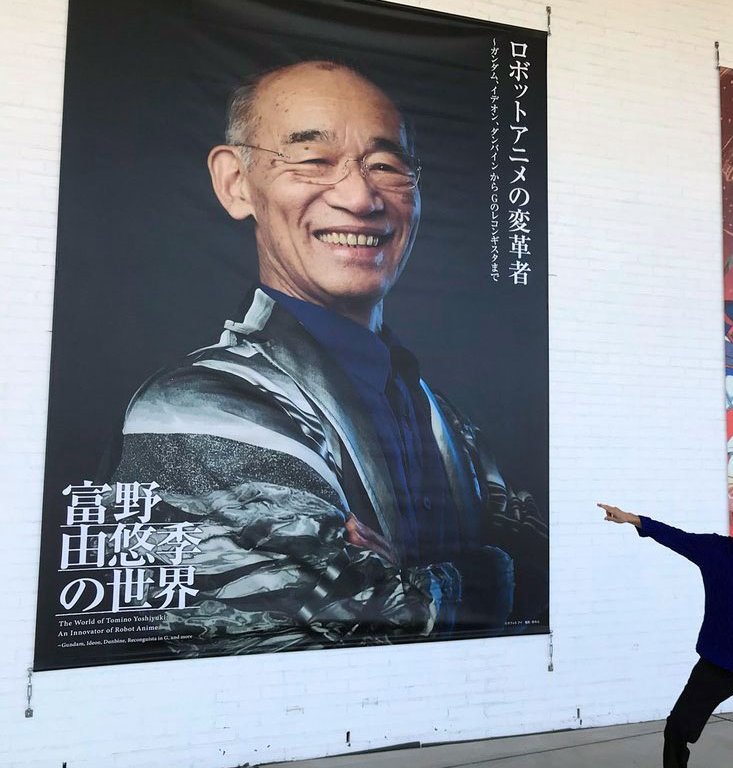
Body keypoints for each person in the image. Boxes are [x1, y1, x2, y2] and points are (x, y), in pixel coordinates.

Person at [104, 61, 546, 655]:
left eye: (387, 165)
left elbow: (547, 560)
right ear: (237, 183)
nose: (361, 197)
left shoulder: (445, 418)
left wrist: (407, 583)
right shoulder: (199, 408)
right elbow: (299, 633)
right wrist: (492, 569)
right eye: (312, 160)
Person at [597, 491, 733, 768]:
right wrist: (633, 520)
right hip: (716, 663)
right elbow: (676, 537)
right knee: (677, 729)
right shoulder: (714, 550)